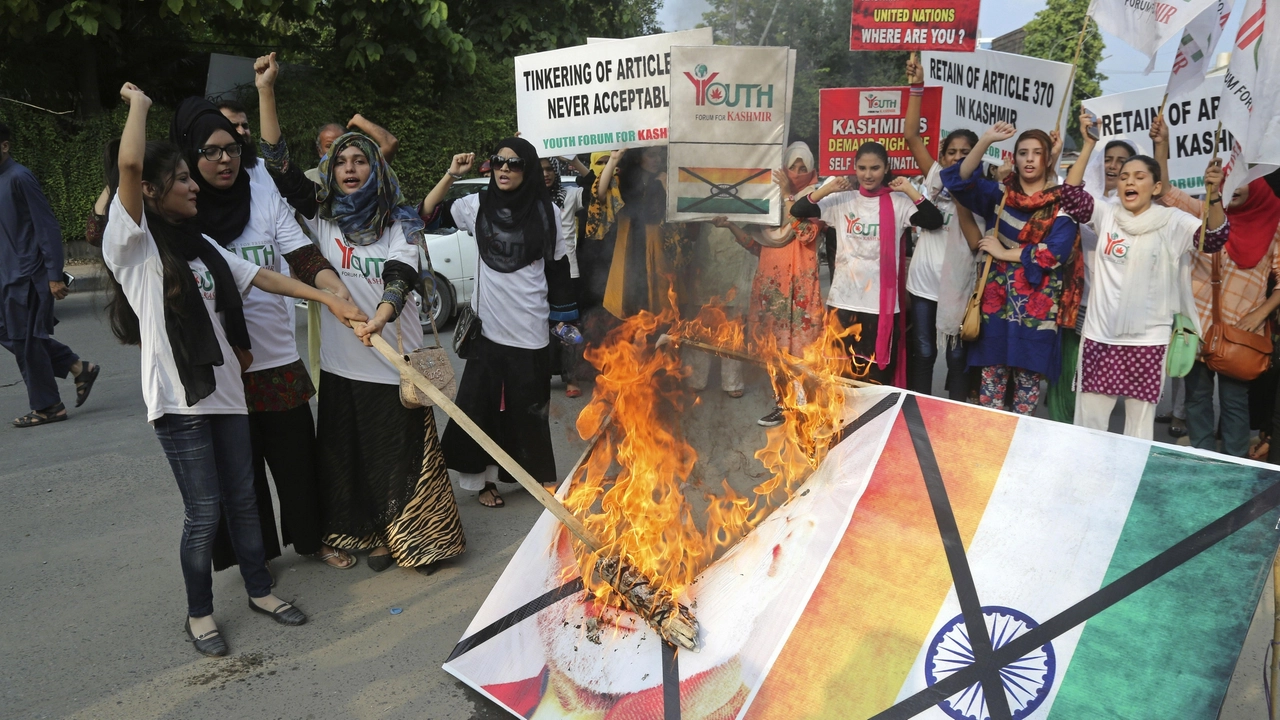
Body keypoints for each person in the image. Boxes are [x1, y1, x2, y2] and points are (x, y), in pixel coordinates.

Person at [103, 82, 367, 656]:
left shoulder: (199, 245)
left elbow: (266, 277)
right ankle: (199, 614)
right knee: (204, 513)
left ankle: (260, 589)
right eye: (182, 178)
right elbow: (128, 161)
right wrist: (142, 107)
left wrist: (330, 300)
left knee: (245, 499)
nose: (195, 183)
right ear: (150, 191)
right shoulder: (135, 245)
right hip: (181, 403)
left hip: (227, 393)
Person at [255, 52, 466, 572]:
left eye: (361, 161)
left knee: (403, 454)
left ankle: (421, 539)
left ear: (376, 169)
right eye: (342, 162)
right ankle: (370, 534)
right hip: (343, 361)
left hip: (395, 356)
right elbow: (279, 163)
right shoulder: (322, 213)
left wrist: (384, 312)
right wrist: (266, 91)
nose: (350, 169)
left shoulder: (401, 217)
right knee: (353, 452)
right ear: (331, 168)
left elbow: (402, 272)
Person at [169, 95, 360, 573]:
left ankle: (314, 539)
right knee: (239, 472)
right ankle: (254, 558)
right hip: (221, 362)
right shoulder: (178, 208)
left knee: (297, 459)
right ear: (190, 155)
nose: (224, 160)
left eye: (231, 148)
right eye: (210, 152)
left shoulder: (259, 183)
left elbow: (299, 251)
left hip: (273, 353)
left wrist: (333, 288)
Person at [425, 138, 573, 508]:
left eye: (515, 164)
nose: (505, 169)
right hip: (487, 328)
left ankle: (534, 476)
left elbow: (558, 269)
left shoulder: (546, 212)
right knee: (482, 407)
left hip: (531, 326)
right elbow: (426, 212)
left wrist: (563, 320)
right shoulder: (475, 205)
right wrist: (451, 174)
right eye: (499, 162)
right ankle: (482, 482)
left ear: (528, 170)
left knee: (529, 407)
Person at [1064, 112, 1228, 439]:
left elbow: (1214, 238)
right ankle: (1084, 483)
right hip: (1100, 336)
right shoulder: (1107, 213)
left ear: (1155, 187)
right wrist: (1088, 145)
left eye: (1139, 176)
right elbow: (1070, 197)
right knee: (1088, 428)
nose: (1128, 181)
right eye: (1124, 176)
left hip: (1147, 340)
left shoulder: (1172, 221)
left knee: (1138, 432)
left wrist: (1216, 196)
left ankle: (1128, 485)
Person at [1149, 116, 1280, 456]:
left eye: (1240, 183)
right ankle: (1202, 458)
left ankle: (1236, 467)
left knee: (1235, 403)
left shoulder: (1274, 225)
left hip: (1241, 328)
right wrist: (1161, 146)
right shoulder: (1207, 214)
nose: (1232, 188)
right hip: (1196, 324)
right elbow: (1165, 194)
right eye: (1227, 183)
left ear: (1258, 187)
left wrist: (1261, 315)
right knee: (1196, 397)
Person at [942, 123, 1083, 415]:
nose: (1029, 159)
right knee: (990, 393)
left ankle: (1019, 454)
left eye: (1037, 153)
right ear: (1015, 159)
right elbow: (957, 181)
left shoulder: (1061, 203)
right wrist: (986, 140)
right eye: (1023, 153)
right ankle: (989, 452)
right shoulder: (1000, 195)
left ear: (1047, 159)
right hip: (996, 307)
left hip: (1037, 313)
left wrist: (1005, 252)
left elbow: (1056, 252)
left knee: (1026, 396)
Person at [790, 142, 945, 386]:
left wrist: (909, 190)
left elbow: (933, 220)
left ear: (886, 169)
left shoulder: (899, 202)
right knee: (838, 374)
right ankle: (843, 422)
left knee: (875, 376)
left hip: (879, 307)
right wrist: (828, 188)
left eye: (875, 168)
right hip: (843, 300)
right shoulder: (841, 200)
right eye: (862, 168)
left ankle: (872, 422)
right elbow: (798, 210)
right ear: (854, 168)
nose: (868, 174)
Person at [708, 141, 824, 425]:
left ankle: (804, 408)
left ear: (811, 171)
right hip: (772, 286)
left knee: (799, 349)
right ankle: (782, 404)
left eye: (802, 168)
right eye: (791, 167)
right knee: (775, 350)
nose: (796, 173)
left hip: (799, 287)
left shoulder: (816, 199)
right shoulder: (767, 202)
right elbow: (757, 245)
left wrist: (787, 194)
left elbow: (805, 233)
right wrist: (732, 226)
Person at [0, 120, 101, 427]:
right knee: (16, 337)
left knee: (26, 343)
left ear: (4, 145)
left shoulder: (20, 177)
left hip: (27, 276)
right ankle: (77, 366)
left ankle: (48, 407)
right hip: (6, 277)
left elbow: (47, 226)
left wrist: (54, 274)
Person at [1045, 125, 1139, 425]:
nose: (1112, 166)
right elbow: (1062, 191)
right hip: (1075, 294)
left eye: (1121, 161)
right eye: (1108, 158)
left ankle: (1088, 433)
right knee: (1068, 363)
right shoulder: (1088, 198)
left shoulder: (1133, 207)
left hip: (1111, 302)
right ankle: (1062, 425)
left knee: (1096, 374)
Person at [903, 56, 982, 399]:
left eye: (966, 152)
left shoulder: (986, 194)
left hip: (961, 291)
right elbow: (910, 135)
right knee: (923, 352)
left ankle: (955, 417)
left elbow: (978, 242)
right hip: (922, 287)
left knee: (957, 355)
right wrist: (916, 89)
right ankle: (917, 411)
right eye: (951, 152)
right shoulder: (934, 177)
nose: (958, 158)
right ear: (943, 156)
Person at [597, 147, 690, 318]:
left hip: (658, 245)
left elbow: (683, 212)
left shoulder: (667, 178)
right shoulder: (624, 180)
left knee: (661, 304)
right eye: (651, 155)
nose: (657, 160)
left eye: (660, 155)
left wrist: (666, 186)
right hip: (629, 243)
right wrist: (614, 159)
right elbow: (600, 194)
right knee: (629, 298)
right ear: (638, 157)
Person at [541, 156, 587, 398]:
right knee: (539, 326)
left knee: (567, 328)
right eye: (540, 170)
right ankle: (542, 375)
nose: (546, 174)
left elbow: (592, 187)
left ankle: (572, 377)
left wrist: (575, 161)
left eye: (550, 169)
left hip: (567, 272)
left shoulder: (569, 196)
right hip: (535, 272)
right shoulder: (527, 200)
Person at [304, 114, 398, 185]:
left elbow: (390, 144)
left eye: (342, 144)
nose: (336, 150)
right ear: (319, 151)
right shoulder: (309, 178)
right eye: (329, 146)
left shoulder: (362, 171)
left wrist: (359, 121)